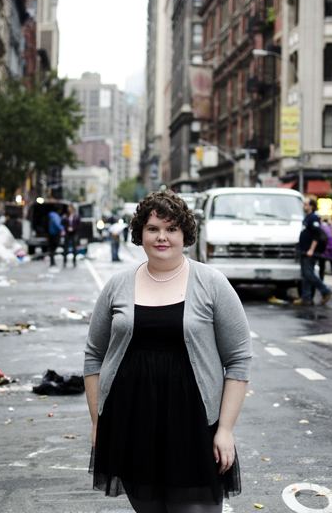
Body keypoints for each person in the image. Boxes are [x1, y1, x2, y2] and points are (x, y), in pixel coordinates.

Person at [84, 190, 252, 513]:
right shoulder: (118, 285)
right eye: (153, 228)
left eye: (171, 229)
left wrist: (226, 429)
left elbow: (239, 360)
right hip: (133, 424)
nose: (162, 237)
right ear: (140, 233)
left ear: (185, 234)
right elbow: (94, 354)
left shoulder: (212, 283)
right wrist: (97, 422)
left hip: (193, 425)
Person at [294, 197, 332, 306]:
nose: (303, 206)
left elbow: (317, 235)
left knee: (309, 274)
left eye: (306, 204)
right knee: (305, 275)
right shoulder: (307, 217)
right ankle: (306, 297)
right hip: (304, 251)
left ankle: (326, 290)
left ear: (311, 206)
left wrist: (311, 249)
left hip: (309, 252)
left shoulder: (314, 217)